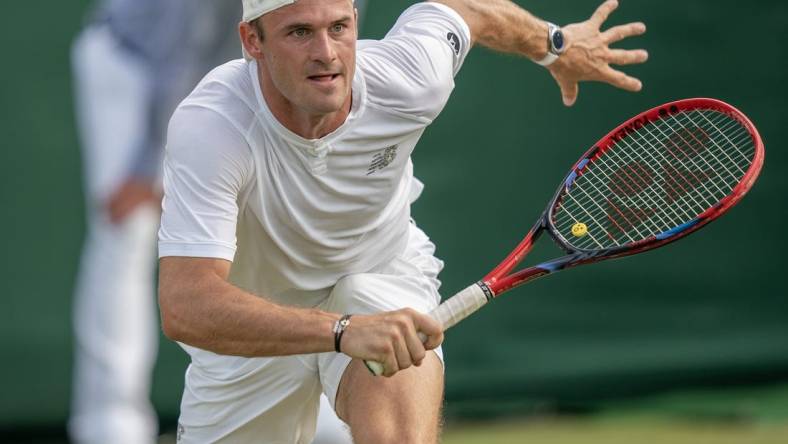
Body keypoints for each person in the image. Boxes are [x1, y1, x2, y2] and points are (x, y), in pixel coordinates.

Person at [157, 0, 647, 442]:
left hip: (379, 277)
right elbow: (186, 303)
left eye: (340, 27)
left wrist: (556, 46)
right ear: (252, 41)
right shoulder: (214, 126)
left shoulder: (408, 78)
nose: (326, 52)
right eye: (299, 32)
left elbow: (469, 12)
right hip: (260, 317)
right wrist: (341, 330)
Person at [70, 0, 359, 442]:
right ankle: (110, 422)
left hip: (242, 67)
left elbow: (335, 37)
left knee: (267, 224)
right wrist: (146, 168)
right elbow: (182, 50)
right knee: (129, 231)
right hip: (134, 61)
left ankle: (307, 399)